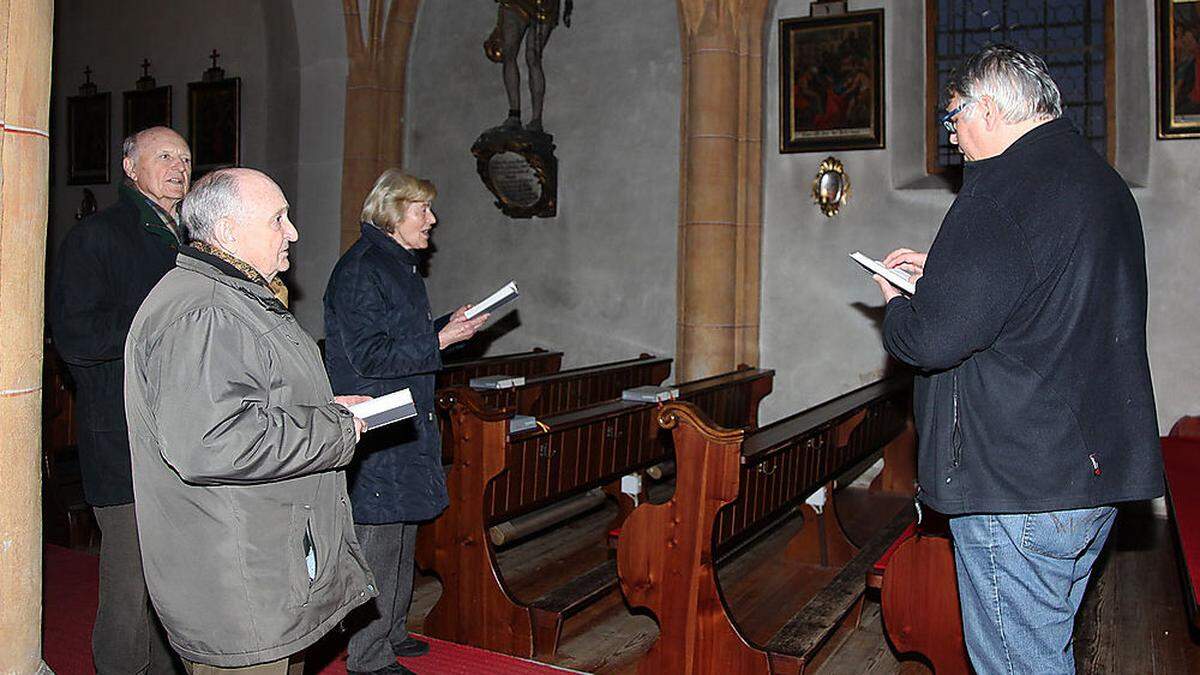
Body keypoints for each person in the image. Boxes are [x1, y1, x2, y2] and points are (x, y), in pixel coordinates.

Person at [873, 44, 1163, 674]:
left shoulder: (1002, 189)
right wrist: (945, 276)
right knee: (1043, 649)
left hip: (1019, 482)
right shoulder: (1097, 182)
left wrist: (898, 303)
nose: (952, 140)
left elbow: (930, 341)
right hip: (1085, 472)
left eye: (953, 120)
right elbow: (1044, 300)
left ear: (990, 109)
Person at [124, 168, 377, 673]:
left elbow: (254, 404)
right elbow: (212, 442)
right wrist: (337, 429)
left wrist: (332, 411)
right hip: (238, 579)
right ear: (225, 232)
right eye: (278, 218)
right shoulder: (207, 311)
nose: (293, 233)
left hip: (264, 565)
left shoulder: (234, 298)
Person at [324, 169, 489, 675]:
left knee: (400, 530)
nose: (432, 220)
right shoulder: (362, 269)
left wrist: (446, 328)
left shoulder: (394, 263)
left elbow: (400, 336)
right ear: (393, 213)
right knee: (377, 536)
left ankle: (392, 630)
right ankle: (368, 657)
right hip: (375, 419)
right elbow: (371, 355)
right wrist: (440, 341)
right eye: (423, 210)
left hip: (401, 417)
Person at [49, 125, 191, 675]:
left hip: (174, 430)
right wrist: (158, 326)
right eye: (164, 157)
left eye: (184, 158)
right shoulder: (99, 236)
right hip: (123, 431)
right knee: (130, 583)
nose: (178, 167)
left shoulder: (185, 237)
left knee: (168, 584)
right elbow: (77, 337)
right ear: (130, 168)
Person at [486, 0, 573, 132]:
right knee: (509, 52)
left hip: (544, 4)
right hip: (516, 3)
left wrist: (568, 5)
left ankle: (536, 119)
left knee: (533, 57)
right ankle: (514, 114)